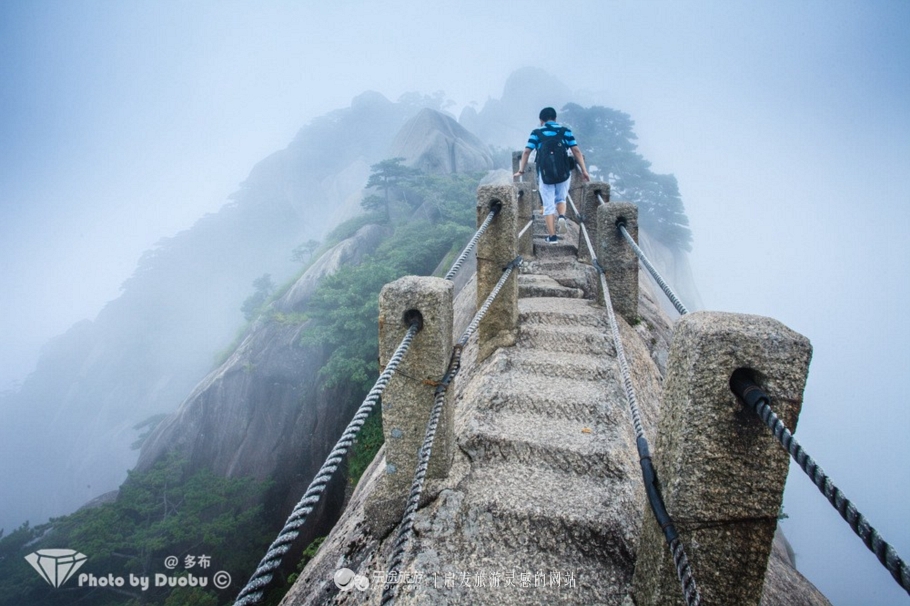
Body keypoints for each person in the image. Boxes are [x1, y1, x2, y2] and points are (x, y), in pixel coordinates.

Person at [514, 107, 590, 243]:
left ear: (541, 120)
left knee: (548, 204)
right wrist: (584, 170)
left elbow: (526, 152)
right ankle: (561, 216)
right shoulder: (565, 131)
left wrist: (521, 170)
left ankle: (552, 237)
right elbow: (576, 151)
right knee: (561, 199)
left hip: (545, 174)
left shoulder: (537, 132)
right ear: (555, 118)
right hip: (564, 172)